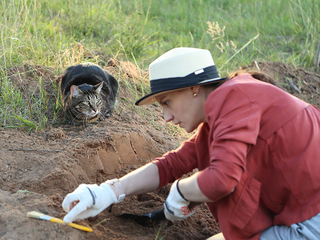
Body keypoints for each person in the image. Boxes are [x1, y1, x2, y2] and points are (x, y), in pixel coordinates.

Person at [62, 47, 320, 240]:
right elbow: (174, 162)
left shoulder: (235, 97)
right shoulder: (229, 106)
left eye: (166, 102)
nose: (166, 117)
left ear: (194, 89)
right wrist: (107, 191)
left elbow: (222, 178)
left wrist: (181, 191)